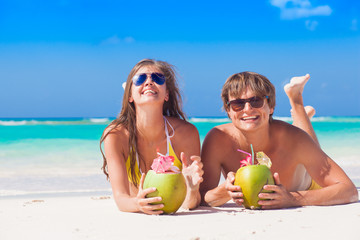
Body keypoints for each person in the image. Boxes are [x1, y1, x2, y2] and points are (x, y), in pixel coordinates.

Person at [200, 71, 358, 209]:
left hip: (307, 183)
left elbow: (349, 190)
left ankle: (296, 101)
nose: (247, 109)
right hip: (286, 136)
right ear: (228, 111)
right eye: (237, 104)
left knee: (304, 138)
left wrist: (293, 199)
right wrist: (224, 192)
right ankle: (302, 115)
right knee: (302, 137)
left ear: (271, 107)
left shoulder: (293, 138)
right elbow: (201, 197)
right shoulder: (218, 138)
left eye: (256, 101)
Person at [100, 59, 203, 215]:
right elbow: (121, 199)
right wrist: (138, 203)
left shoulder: (185, 133)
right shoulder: (115, 135)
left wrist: (193, 189)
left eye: (157, 78)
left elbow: (189, 202)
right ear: (130, 95)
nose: (149, 82)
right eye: (140, 79)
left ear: (166, 94)